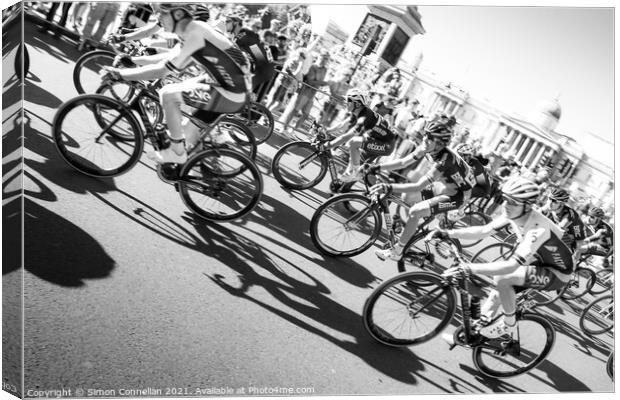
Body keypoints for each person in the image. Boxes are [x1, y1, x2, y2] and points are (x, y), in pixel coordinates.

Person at [102, 3, 251, 164]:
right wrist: (133, 60)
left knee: (168, 94)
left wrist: (120, 74)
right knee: (186, 129)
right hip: (225, 84)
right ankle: (190, 162)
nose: (157, 18)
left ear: (178, 15)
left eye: (162, 14)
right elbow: (165, 59)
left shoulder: (195, 35)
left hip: (232, 93)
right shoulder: (193, 30)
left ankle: (178, 154)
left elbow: (162, 70)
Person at [432, 176, 573, 340]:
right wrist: (448, 233)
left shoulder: (538, 228)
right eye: (505, 199)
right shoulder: (514, 214)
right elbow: (484, 231)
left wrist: (470, 268)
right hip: (538, 259)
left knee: (503, 277)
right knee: (495, 294)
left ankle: (509, 325)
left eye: (513, 202)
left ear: (527, 206)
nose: (506, 205)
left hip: (558, 272)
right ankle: (471, 335)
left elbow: (511, 266)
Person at [323, 89, 398, 183]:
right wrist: (327, 130)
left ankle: (361, 177)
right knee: (348, 173)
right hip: (375, 139)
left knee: (353, 143)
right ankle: (343, 187)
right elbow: (342, 125)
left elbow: (347, 137)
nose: (346, 103)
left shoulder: (364, 117)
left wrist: (328, 145)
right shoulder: (357, 112)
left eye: (349, 101)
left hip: (386, 145)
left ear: (357, 104)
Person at [224, 11, 275, 99]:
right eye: (256, 27)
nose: (257, 29)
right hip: (261, 68)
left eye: (259, 28)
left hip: (262, 69)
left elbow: (258, 57)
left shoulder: (246, 34)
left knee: (242, 92)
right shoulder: (246, 34)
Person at [280, 49, 330, 134]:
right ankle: (284, 128)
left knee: (306, 114)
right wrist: (323, 83)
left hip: (312, 94)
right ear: (319, 57)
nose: (325, 60)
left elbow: (317, 82)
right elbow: (310, 81)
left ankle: (293, 130)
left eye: (327, 59)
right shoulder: (313, 67)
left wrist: (321, 83)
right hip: (304, 91)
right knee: (294, 110)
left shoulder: (325, 69)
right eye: (324, 57)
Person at [539, 188, 586, 263]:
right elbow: (537, 214)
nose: (550, 203)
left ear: (562, 204)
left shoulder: (569, 214)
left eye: (554, 201)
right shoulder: (551, 205)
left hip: (573, 241)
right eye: (549, 198)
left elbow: (559, 229)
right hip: (561, 234)